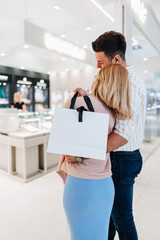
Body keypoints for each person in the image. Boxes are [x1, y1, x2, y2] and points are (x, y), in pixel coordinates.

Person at [69, 31, 146, 240]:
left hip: (122, 156)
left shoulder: (130, 85)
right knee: (108, 216)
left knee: (122, 217)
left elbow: (121, 136)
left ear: (116, 59)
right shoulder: (118, 80)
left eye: (100, 62)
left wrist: (82, 153)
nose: (97, 67)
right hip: (117, 156)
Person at [57, 64, 133, 240]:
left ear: (101, 81)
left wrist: (72, 99)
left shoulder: (80, 101)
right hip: (105, 184)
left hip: (81, 185)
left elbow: (57, 123)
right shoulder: (116, 111)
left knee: (80, 235)